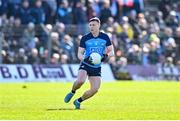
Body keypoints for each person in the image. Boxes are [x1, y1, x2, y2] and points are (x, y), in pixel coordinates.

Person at [64, 17, 115, 109]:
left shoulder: (105, 37)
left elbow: (112, 51)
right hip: (86, 64)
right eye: (90, 25)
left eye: (94, 25)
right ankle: (72, 91)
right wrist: (84, 59)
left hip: (97, 66)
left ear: (99, 25)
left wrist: (105, 56)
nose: (91, 27)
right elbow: (79, 53)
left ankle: (78, 101)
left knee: (95, 89)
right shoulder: (85, 38)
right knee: (80, 81)